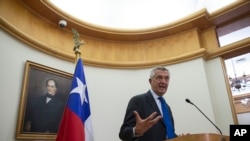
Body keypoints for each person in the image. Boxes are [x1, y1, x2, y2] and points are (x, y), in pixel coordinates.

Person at [119, 66, 178, 141]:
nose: (163, 81)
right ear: (150, 81)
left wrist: (180, 138)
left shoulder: (167, 107)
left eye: (166, 78)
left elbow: (167, 134)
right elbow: (123, 133)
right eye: (159, 77)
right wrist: (136, 131)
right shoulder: (138, 101)